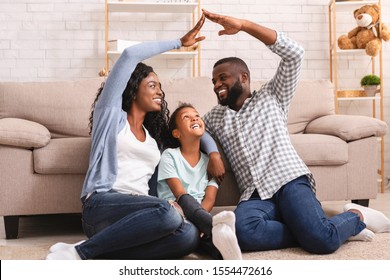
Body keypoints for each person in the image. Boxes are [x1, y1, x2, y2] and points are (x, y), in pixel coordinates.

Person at [201, 9, 390, 254]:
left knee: (322, 242)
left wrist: (244, 25)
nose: (216, 86)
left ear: (244, 78)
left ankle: (355, 215)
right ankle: (318, 227)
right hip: (255, 195)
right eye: (213, 81)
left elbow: (295, 54)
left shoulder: (272, 96)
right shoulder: (215, 116)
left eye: (222, 78)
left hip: (289, 181)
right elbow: (196, 129)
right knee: (243, 233)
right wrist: (213, 153)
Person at [46, 14, 222, 260]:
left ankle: (100, 249)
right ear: (132, 88)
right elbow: (130, 55)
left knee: (189, 236)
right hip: (102, 206)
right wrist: (179, 42)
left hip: (143, 216)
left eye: (160, 86)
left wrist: (213, 152)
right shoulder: (110, 117)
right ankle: (80, 253)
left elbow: (195, 131)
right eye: (152, 85)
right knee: (169, 212)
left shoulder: (154, 139)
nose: (159, 91)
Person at [157, 103, 242, 260]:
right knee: (190, 214)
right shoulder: (169, 156)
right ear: (176, 133)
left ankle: (226, 254)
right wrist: (202, 220)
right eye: (186, 117)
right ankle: (214, 226)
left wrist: (199, 221)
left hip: (197, 216)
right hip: (173, 209)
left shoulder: (211, 165)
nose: (194, 118)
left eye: (196, 115)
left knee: (205, 240)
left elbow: (209, 199)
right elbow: (179, 193)